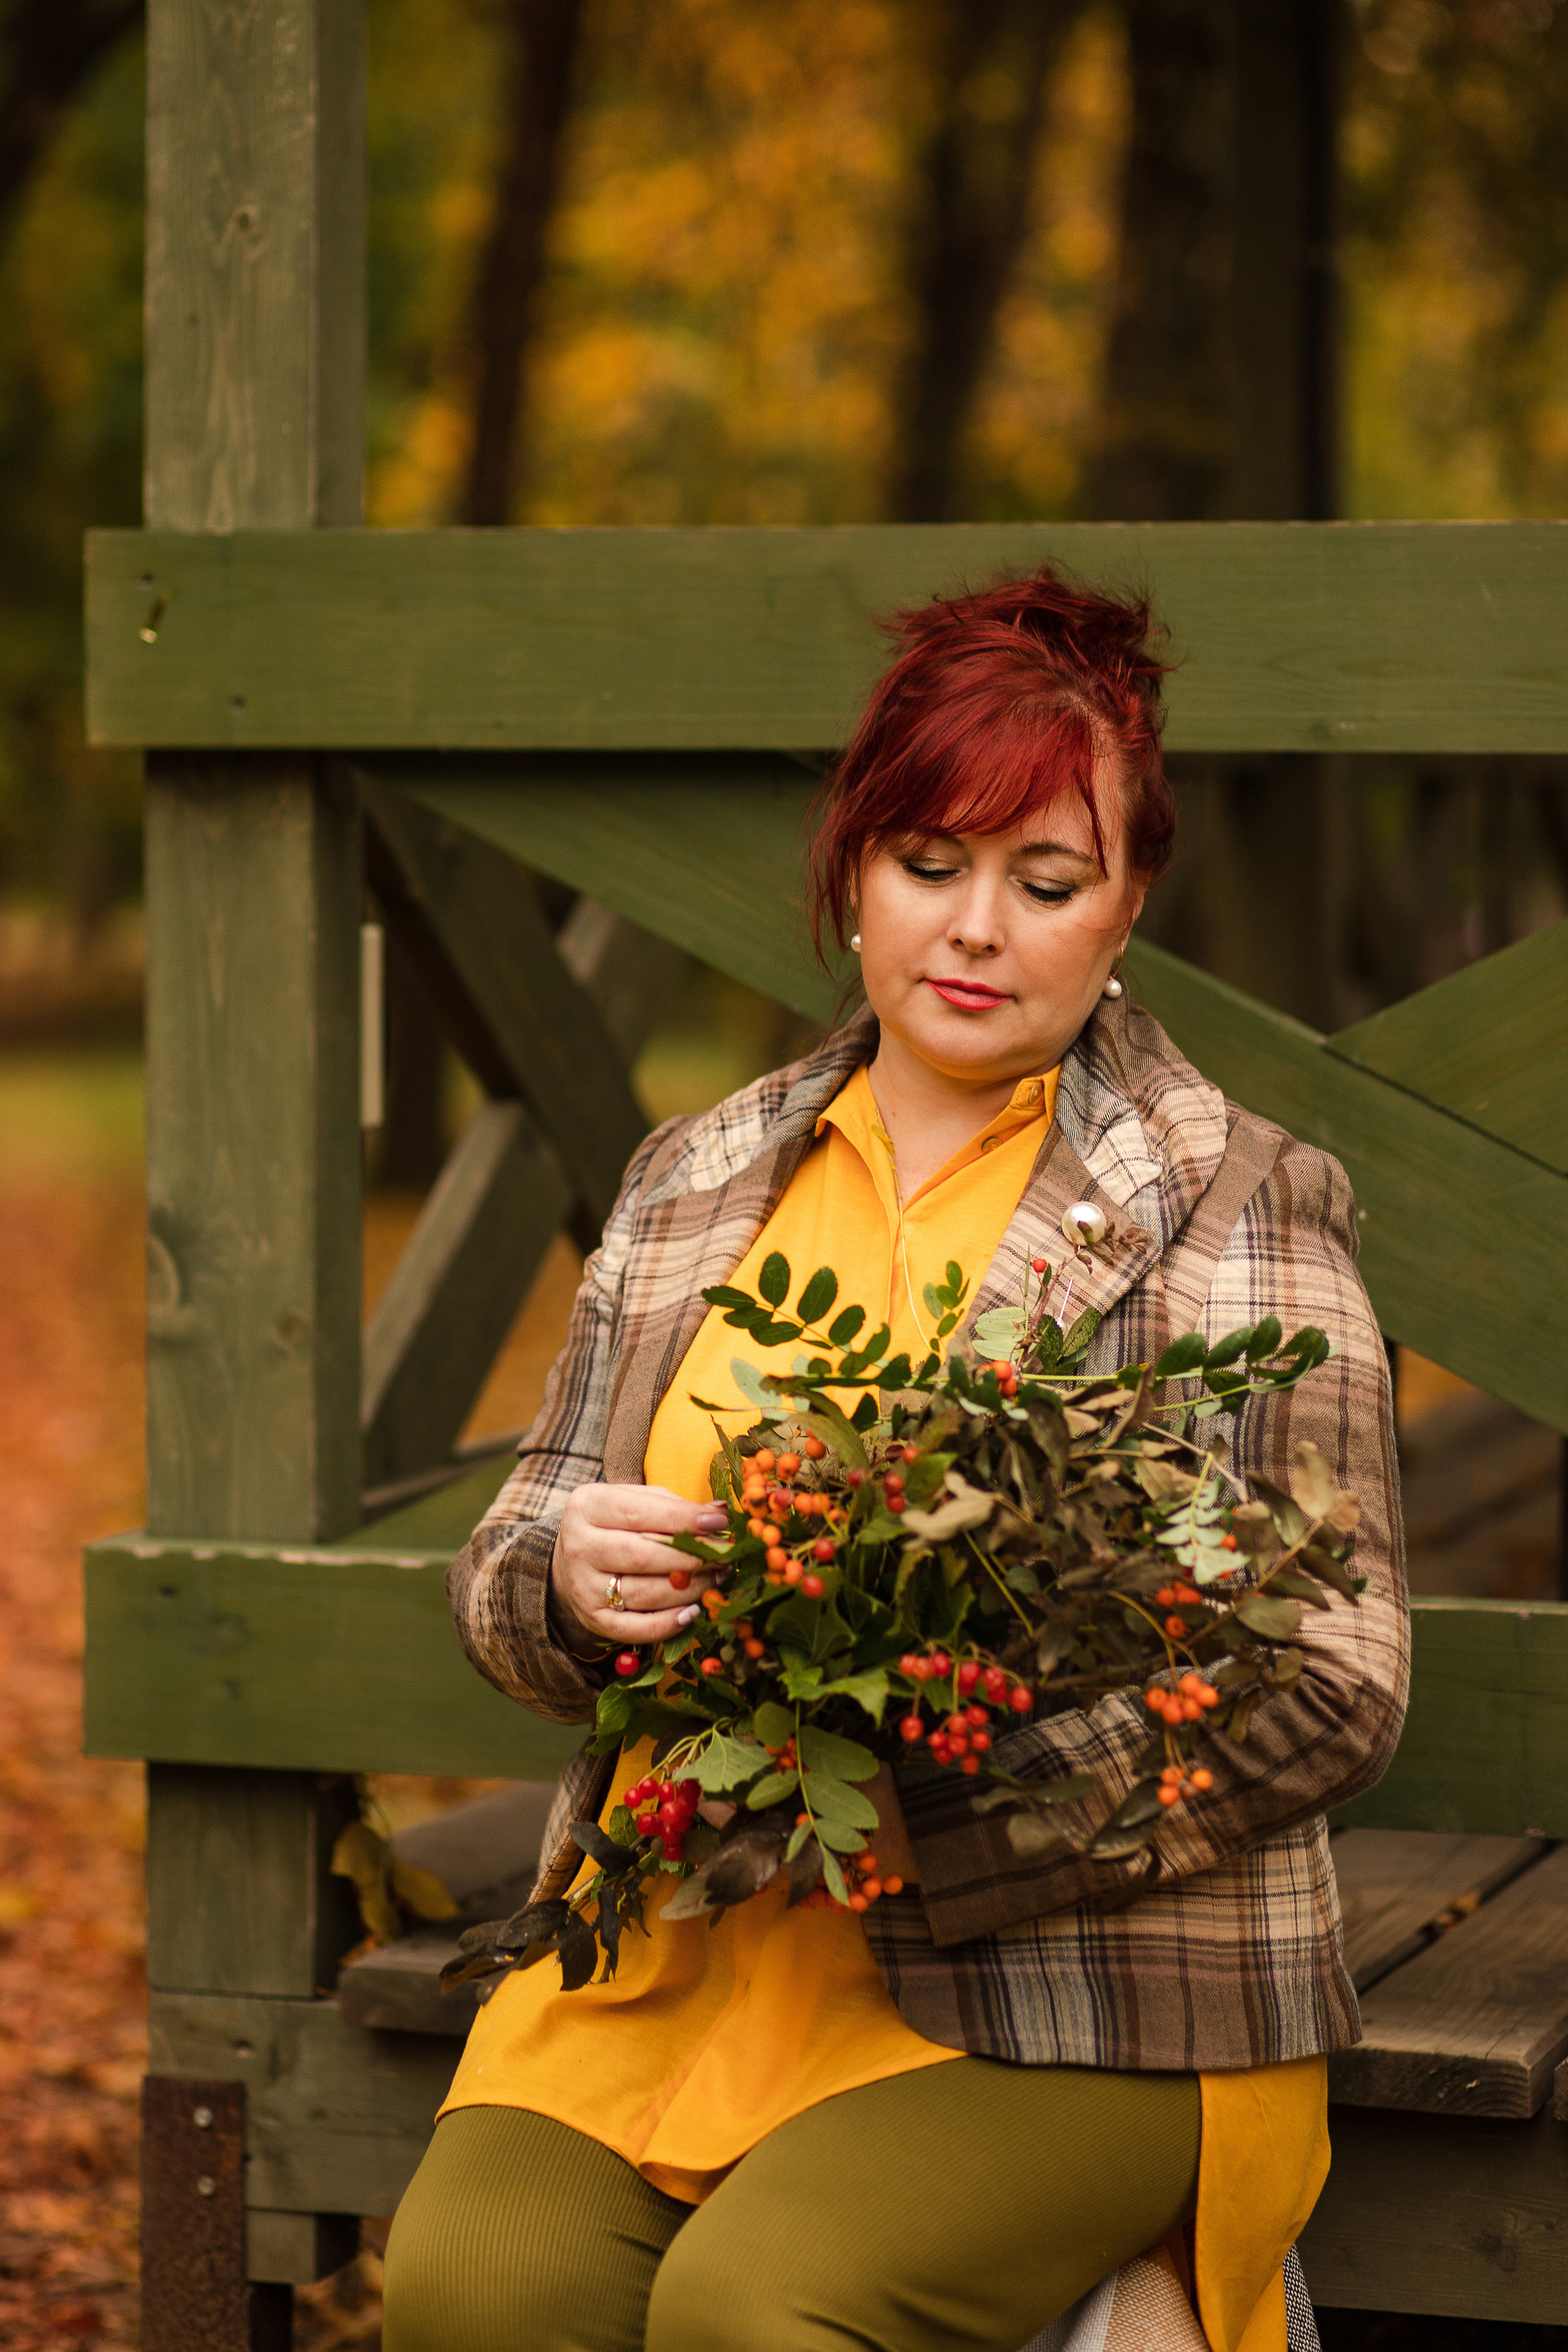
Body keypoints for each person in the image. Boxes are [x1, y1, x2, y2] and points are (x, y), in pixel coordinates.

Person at [380, 565, 1408, 2352]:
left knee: (756, 2315)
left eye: (1048, 880)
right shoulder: (697, 1178)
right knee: (476, 2290)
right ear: (855, 873)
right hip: (680, 1945)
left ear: (1126, 905)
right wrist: (564, 1578)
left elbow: (1336, 1675)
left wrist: (925, 1824)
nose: (978, 929)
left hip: (1076, 1987)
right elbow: (514, 1542)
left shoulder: (1230, 1199)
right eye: (930, 863)